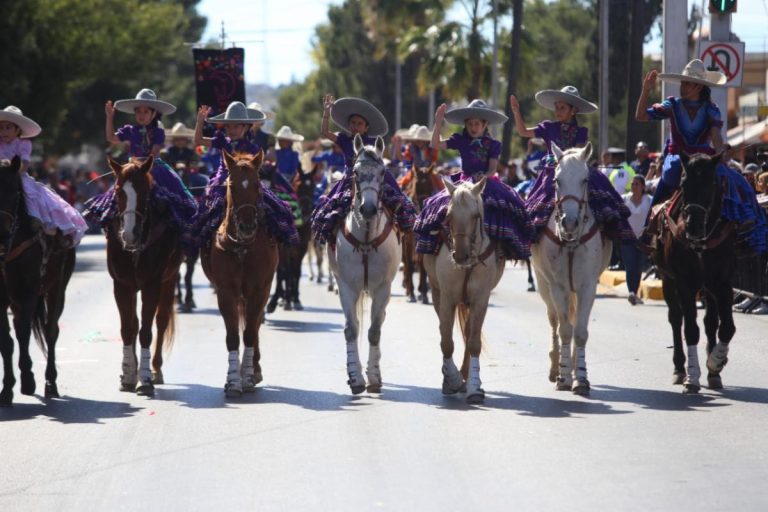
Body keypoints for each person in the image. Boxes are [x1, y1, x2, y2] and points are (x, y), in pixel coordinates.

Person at [636, 59, 767, 254]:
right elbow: (641, 116)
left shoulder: (710, 109)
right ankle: (649, 230)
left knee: (735, 179)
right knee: (671, 174)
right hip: (678, 157)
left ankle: (743, 226)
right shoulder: (672, 104)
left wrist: (721, 153)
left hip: (704, 158)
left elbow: (716, 138)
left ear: (698, 86)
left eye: (687, 83)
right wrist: (646, 90)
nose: (683, 86)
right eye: (683, 82)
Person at [510, 86, 633, 242]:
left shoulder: (581, 131)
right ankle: (532, 237)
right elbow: (523, 132)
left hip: (575, 170)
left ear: (573, 110)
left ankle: (609, 232)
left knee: (601, 190)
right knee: (534, 205)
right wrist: (516, 111)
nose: (558, 111)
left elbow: (579, 154)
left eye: (562, 108)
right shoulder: (548, 127)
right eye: (557, 107)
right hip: (552, 172)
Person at [414, 99, 532, 260]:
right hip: (463, 181)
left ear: (485, 125)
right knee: (437, 203)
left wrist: (483, 178)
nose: (473, 127)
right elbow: (435, 144)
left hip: (486, 182)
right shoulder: (460, 139)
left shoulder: (494, 144)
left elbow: (492, 169)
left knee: (511, 205)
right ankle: (438, 241)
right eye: (470, 124)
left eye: (477, 124)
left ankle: (501, 246)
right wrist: (438, 121)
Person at [84, 89, 197, 235]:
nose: (141, 115)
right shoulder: (129, 130)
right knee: (117, 194)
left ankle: (171, 227)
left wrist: (142, 166)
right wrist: (109, 117)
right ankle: (113, 225)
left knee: (171, 196)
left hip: (153, 166)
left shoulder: (158, 131)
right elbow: (111, 138)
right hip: (132, 167)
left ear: (153, 113)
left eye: (145, 112)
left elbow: (155, 151)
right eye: (139, 112)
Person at [188, 102, 298, 247]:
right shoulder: (222, 140)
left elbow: (254, 169)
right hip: (223, 179)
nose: (232, 130)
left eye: (236, 126)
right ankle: (207, 241)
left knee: (272, 204)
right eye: (229, 126)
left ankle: (275, 239)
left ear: (245, 127)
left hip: (246, 180)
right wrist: (200, 121)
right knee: (209, 206)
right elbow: (198, 140)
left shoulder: (252, 148)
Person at [311, 95, 416, 244]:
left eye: (359, 123)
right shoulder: (343, 138)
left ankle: (403, 231)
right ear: (348, 125)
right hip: (349, 177)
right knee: (328, 205)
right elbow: (324, 132)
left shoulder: (374, 141)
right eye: (353, 123)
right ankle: (332, 239)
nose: (355, 126)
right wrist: (326, 113)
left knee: (400, 201)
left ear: (366, 127)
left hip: (375, 176)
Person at [0, 106, 87, 246]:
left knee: (38, 200)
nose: (3, 131)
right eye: (1, 128)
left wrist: (9, 168)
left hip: (18, 178)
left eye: (8, 127)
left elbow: (24, 165)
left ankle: (45, 228)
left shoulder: (24, 144)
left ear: (18, 130)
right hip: (1, 179)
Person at [621, 175, 653, 305]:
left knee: (638, 267)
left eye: (637, 184)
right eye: (633, 184)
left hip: (643, 239)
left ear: (643, 187)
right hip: (627, 238)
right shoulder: (624, 199)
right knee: (630, 266)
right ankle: (632, 293)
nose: (634, 186)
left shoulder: (649, 200)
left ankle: (634, 292)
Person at [396, 126, 442, 192]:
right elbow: (405, 159)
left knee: (439, 183)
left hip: (428, 172)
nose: (419, 141)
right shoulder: (410, 147)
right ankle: (402, 197)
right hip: (414, 171)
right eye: (418, 139)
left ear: (425, 141)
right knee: (403, 183)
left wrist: (430, 168)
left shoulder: (432, 149)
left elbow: (434, 161)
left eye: (421, 140)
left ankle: (442, 198)